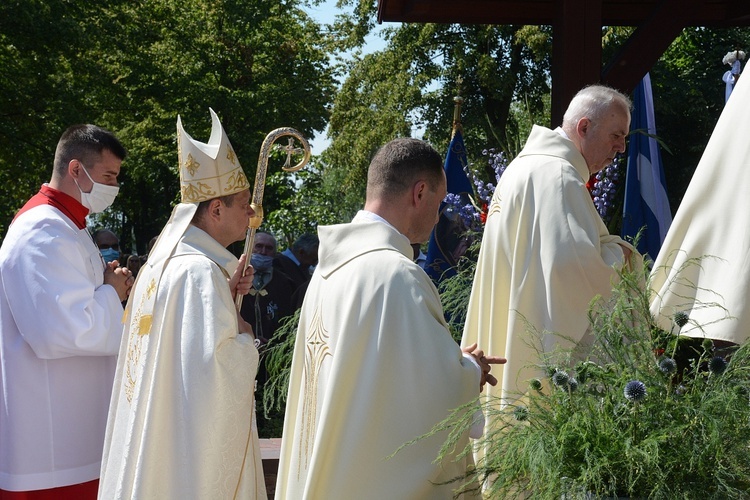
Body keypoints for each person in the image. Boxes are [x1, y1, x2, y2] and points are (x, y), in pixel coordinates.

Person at [274, 137, 502, 499]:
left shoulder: (328, 270)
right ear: (420, 193)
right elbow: (429, 391)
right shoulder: (397, 275)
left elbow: (381, 372)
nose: (438, 215)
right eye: (439, 203)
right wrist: (470, 371)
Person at [98, 108, 266, 499]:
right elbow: (215, 371)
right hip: (185, 449)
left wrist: (227, 294)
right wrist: (246, 338)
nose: (252, 213)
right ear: (216, 208)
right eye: (243, 204)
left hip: (156, 433)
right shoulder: (199, 274)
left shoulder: (165, 265)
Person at [462, 84, 640, 407]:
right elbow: (571, 269)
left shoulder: (521, 169)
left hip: (511, 332)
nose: (622, 148)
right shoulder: (559, 176)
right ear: (584, 127)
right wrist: (622, 254)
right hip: (540, 357)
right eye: (617, 135)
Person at [0, 124, 133, 498]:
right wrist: (111, 292)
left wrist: (107, 285)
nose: (114, 187)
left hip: (71, 422)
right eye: (109, 176)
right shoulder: (42, 228)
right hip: (51, 440)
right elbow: (61, 331)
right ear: (76, 169)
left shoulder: (67, 225)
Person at [241, 231, 297, 345]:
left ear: (274, 253)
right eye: (259, 246)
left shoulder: (285, 283)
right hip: (242, 346)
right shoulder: (237, 277)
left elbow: (287, 319)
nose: (263, 252)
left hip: (272, 350)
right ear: (250, 249)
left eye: (269, 248)